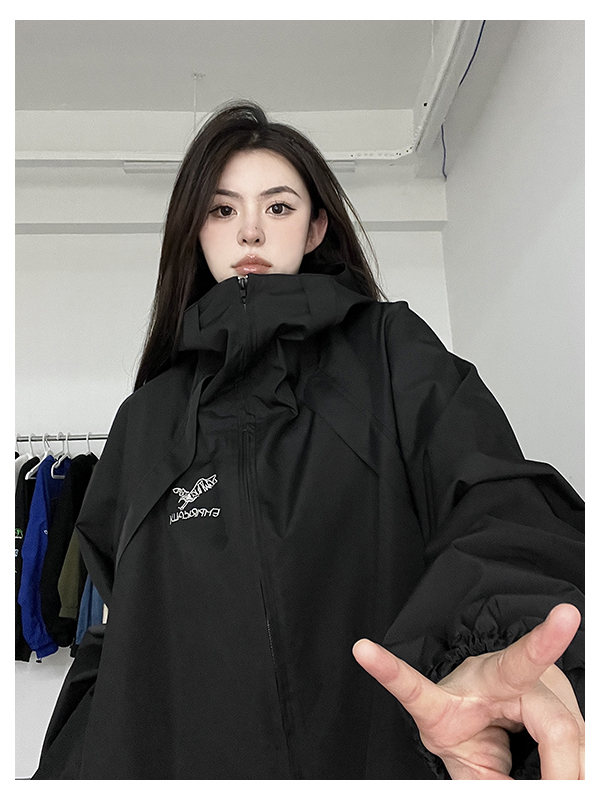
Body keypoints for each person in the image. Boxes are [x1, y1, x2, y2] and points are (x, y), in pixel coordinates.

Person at [32, 101, 584, 780]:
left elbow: (495, 502)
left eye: (279, 207)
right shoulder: (145, 420)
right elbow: (124, 637)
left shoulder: (389, 353)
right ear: (194, 231)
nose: (251, 230)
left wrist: (502, 645)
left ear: (316, 226)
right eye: (223, 209)